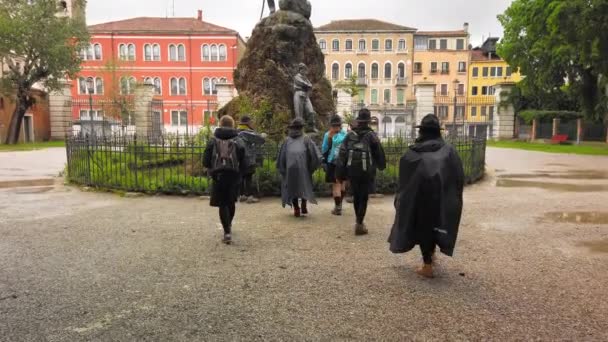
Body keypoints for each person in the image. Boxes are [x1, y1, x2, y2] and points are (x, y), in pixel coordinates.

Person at [388, 114, 465, 278]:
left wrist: (402, 198)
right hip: (440, 197)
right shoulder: (448, 151)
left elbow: (403, 180)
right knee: (436, 224)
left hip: (417, 198)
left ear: (421, 131)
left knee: (422, 226)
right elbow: (458, 176)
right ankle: (431, 257)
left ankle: (427, 265)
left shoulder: (411, 153)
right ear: (438, 132)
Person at [336, 108, 386, 235]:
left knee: (356, 196)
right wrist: (381, 166)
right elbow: (379, 153)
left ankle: (358, 221)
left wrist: (340, 174)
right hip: (366, 172)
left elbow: (342, 154)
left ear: (358, 121)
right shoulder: (371, 136)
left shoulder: (349, 136)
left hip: (352, 171)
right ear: (368, 121)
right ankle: (359, 223)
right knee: (363, 197)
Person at [203, 115, 247, 245]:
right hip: (234, 174)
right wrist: (241, 174)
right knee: (231, 200)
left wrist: (212, 169)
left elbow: (205, 161)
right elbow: (244, 160)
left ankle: (227, 231)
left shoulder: (213, 140)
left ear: (220, 124)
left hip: (218, 175)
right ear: (232, 124)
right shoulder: (238, 140)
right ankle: (229, 225)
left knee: (222, 203)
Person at [277, 118, 322, 217]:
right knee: (304, 185)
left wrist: (283, 169)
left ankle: (296, 209)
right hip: (303, 168)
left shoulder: (287, 140)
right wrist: (311, 168)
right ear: (301, 128)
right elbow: (314, 155)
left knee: (292, 187)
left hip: (290, 169)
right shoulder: (306, 139)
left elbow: (282, 157)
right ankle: (304, 205)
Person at [237, 115, 266, 204]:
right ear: (248, 123)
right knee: (248, 177)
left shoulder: (236, 131)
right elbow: (260, 139)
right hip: (247, 158)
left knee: (241, 176)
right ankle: (249, 196)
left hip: (238, 158)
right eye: (251, 122)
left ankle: (242, 195)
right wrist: (263, 136)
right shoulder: (246, 132)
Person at [322, 115, 347, 215]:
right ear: (340, 125)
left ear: (331, 125)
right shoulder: (345, 134)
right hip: (344, 163)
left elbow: (324, 149)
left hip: (333, 163)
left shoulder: (328, 135)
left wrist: (329, 139)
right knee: (343, 184)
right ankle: (340, 204)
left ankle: (337, 208)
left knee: (336, 186)